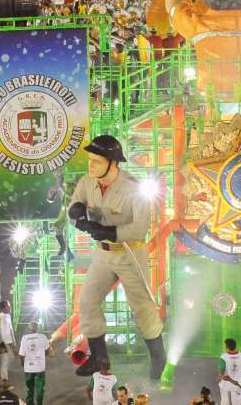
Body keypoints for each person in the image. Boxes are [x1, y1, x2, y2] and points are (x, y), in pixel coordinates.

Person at [67, 135, 165, 380]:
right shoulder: (87, 183)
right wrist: (74, 211)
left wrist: (109, 231)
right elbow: (73, 206)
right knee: (87, 301)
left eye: (97, 161)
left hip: (130, 253)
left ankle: (158, 357)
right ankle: (99, 356)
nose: (91, 166)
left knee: (141, 306)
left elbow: (140, 228)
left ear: (113, 163)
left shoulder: (133, 188)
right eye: (90, 160)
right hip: (102, 254)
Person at [18, 321, 49, 405]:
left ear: (29, 329)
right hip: (40, 367)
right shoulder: (43, 337)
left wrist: (22, 364)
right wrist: (43, 357)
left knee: (29, 389)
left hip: (28, 367)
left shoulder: (24, 338)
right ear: (37, 328)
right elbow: (47, 350)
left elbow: (21, 354)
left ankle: (30, 403)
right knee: (40, 389)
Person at [218, 337, 241, 405]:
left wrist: (218, 379)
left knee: (225, 403)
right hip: (237, 385)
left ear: (227, 346)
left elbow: (221, 374)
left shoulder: (224, 357)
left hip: (225, 385)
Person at [0, 300, 15, 385]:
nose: (10, 308)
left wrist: (14, 342)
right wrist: (2, 344)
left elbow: (11, 330)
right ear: (3, 308)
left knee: (11, 358)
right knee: (5, 362)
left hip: (9, 342)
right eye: (8, 306)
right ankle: (4, 382)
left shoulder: (8, 316)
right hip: (2, 343)